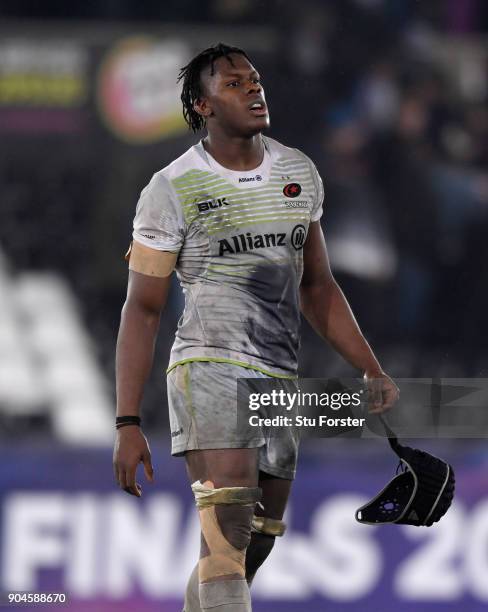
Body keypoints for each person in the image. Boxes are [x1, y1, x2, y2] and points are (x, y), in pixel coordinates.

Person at [113, 43, 399, 612]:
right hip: (209, 364)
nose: (253, 89)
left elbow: (317, 286)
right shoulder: (170, 189)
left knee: (255, 542)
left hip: (278, 379)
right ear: (204, 106)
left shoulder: (298, 171)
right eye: (234, 83)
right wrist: (126, 420)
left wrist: (369, 366)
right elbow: (142, 309)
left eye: (256, 79)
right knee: (229, 528)